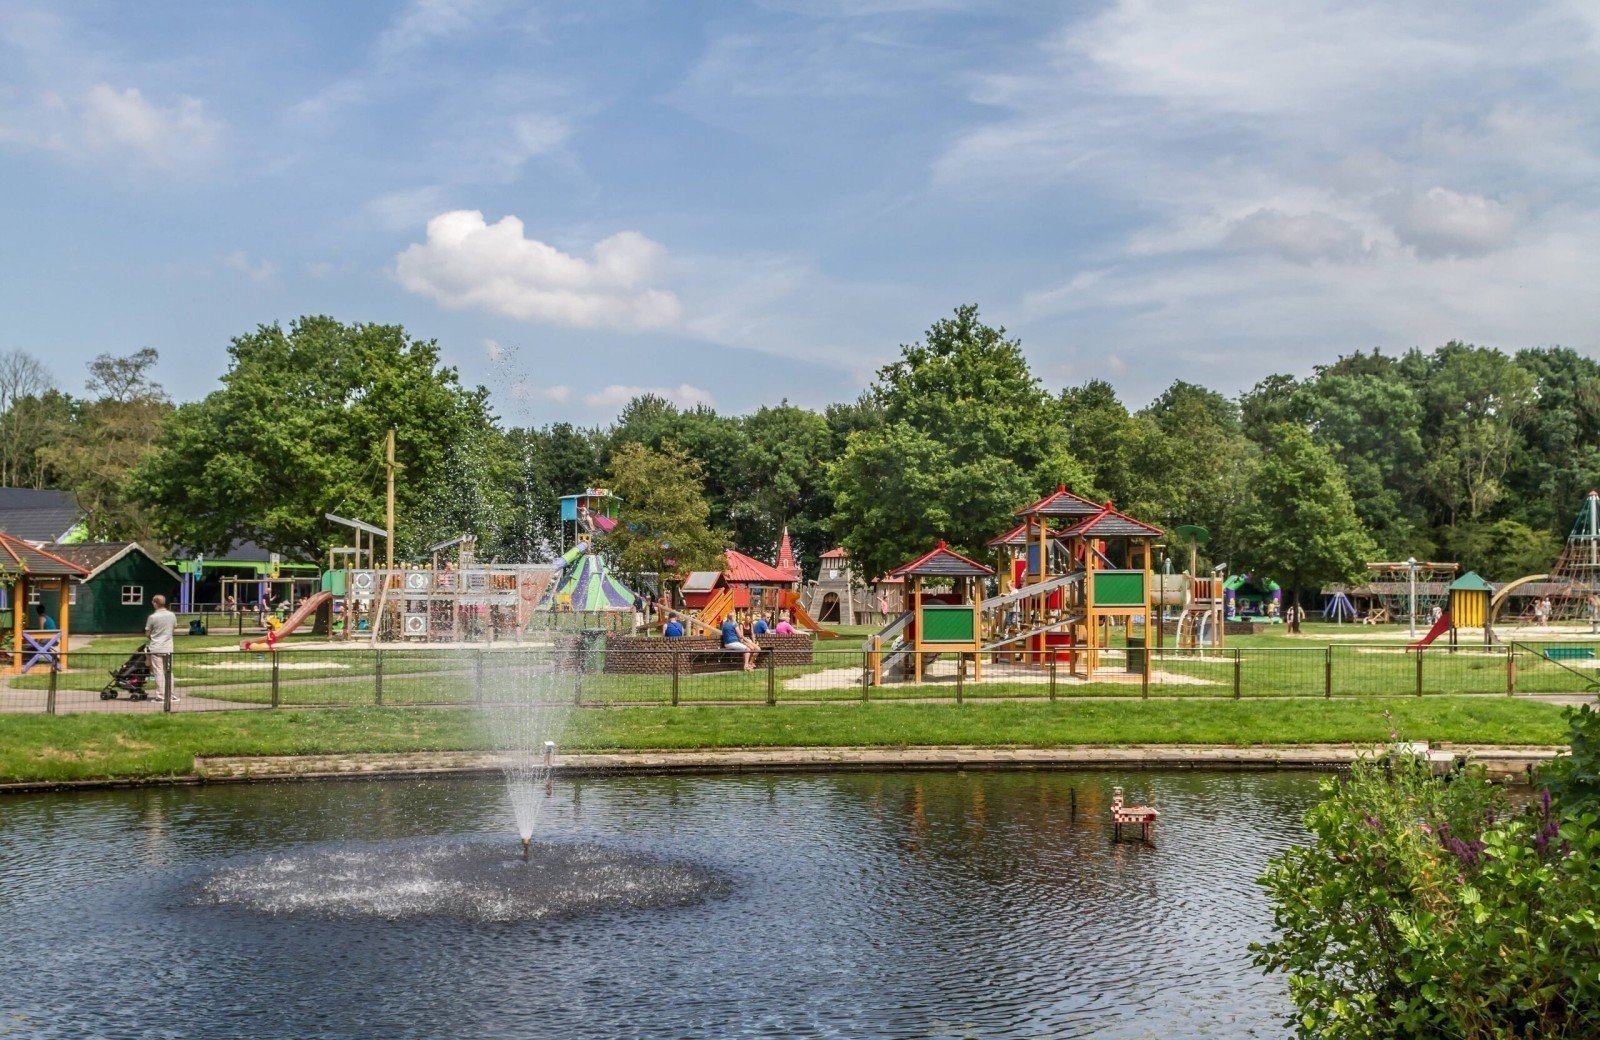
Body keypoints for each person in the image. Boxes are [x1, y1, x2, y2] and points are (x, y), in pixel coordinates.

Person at [144, 594, 177, 704]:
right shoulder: (172, 615)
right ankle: (171, 695)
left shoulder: (152, 617)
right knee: (169, 671)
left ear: (155, 603)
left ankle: (161, 696)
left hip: (156, 647)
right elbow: (172, 630)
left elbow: (147, 633)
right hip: (168, 647)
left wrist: (154, 638)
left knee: (158, 671)